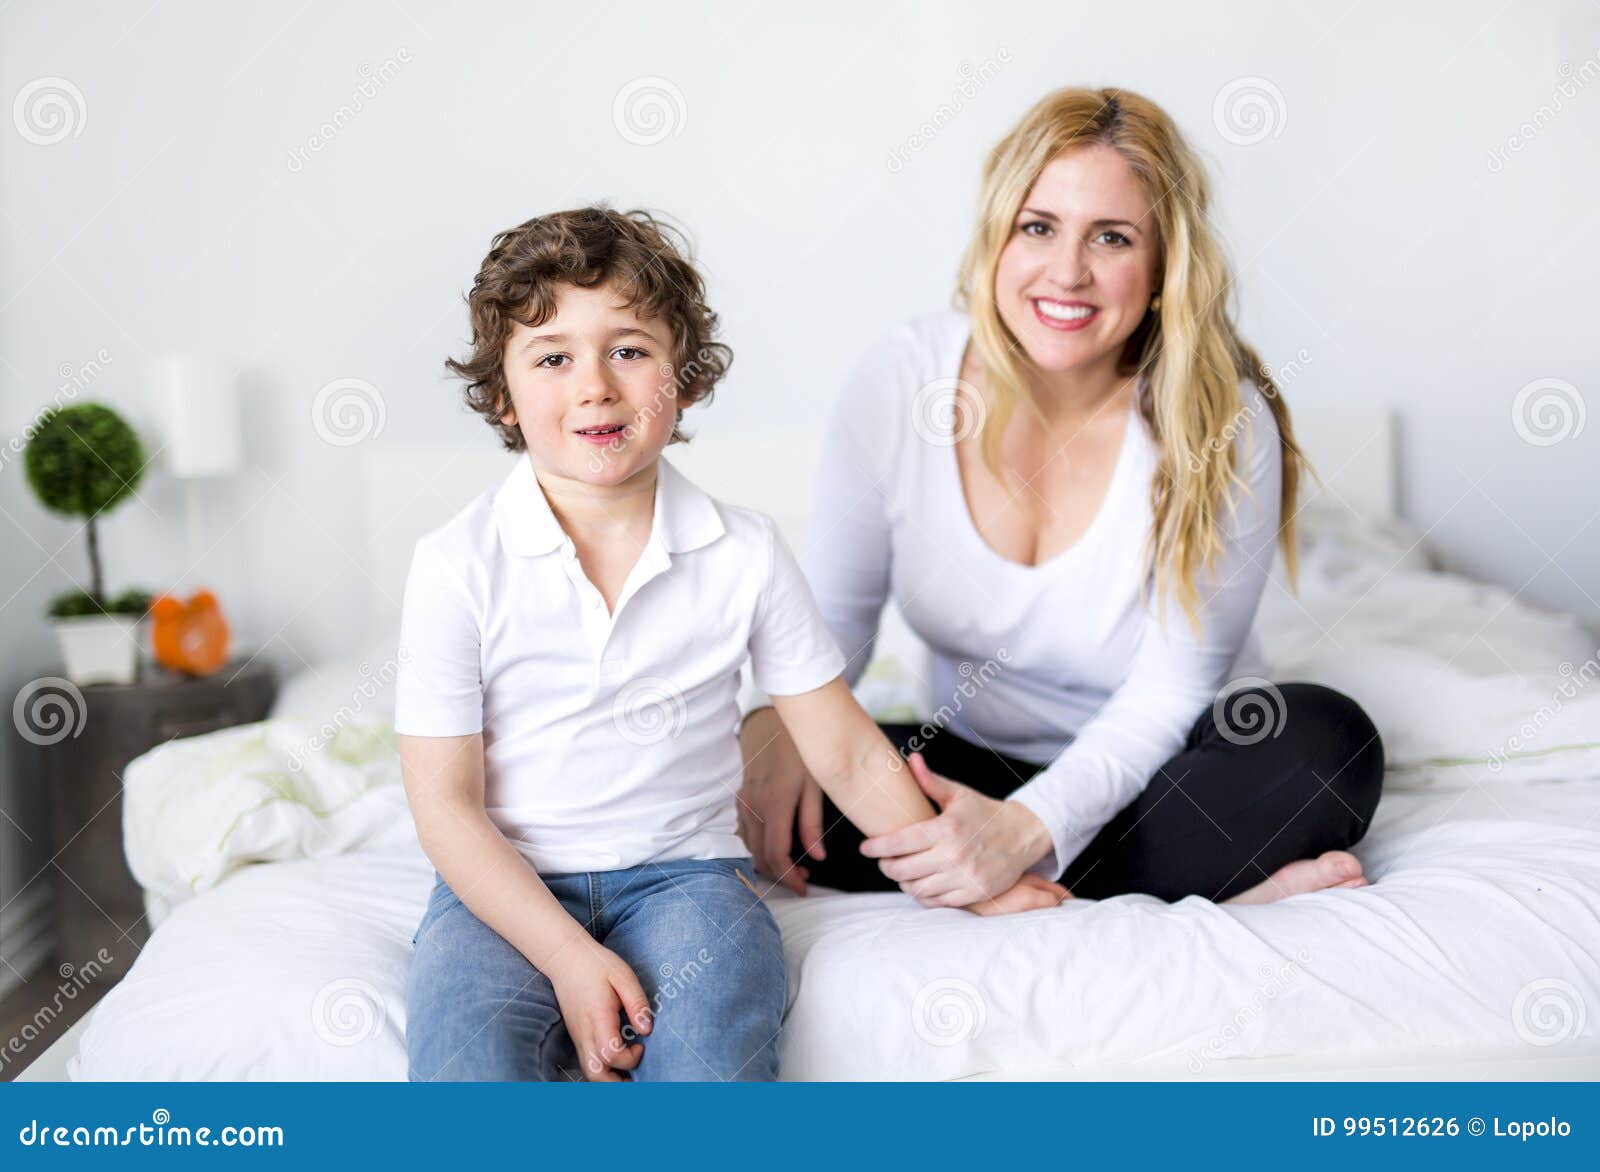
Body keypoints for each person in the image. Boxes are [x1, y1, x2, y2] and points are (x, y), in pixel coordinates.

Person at [396, 207, 1066, 1084]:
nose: (595, 384)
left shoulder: (742, 551)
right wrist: (565, 956)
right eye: (553, 356)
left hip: (688, 882)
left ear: (686, 376)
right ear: (502, 395)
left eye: (629, 349)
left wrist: (972, 883)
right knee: (463, 1069)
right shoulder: (455, 564)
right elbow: (445, 805)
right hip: (503, 894)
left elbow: (849, 754)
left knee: (717, 1057)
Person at [737, 87, 1385, 908]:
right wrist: (774, 722)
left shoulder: (1220, 417)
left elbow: (1172, 691)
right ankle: (1177, 888)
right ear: (996, 240)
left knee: (1327, 747)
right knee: (788, 797)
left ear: (1161, 269)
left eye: (1111, 238)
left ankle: (1021, 880)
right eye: (1038, 227)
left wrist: (1024, 830)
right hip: (966, 760)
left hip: (1167, 769)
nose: (1067, 272)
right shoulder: (903, 384)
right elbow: (832, 628)